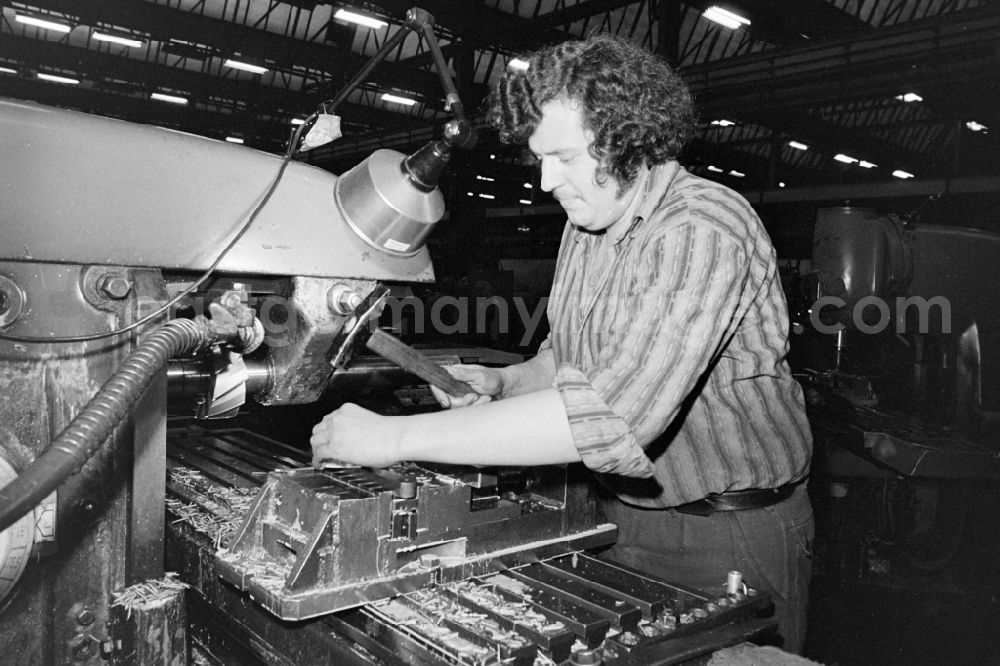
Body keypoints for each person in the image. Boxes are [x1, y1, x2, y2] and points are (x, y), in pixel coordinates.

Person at [311, 33, 814, 653]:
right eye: (539, 157)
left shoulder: (700, 228)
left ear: (630, 138)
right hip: (620, 517)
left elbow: (610, 417)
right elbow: (566, 359)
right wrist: (504, 384)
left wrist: (392, 440)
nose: (547, 180)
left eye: (566, 157)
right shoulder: (589, 223)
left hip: (730, 531)